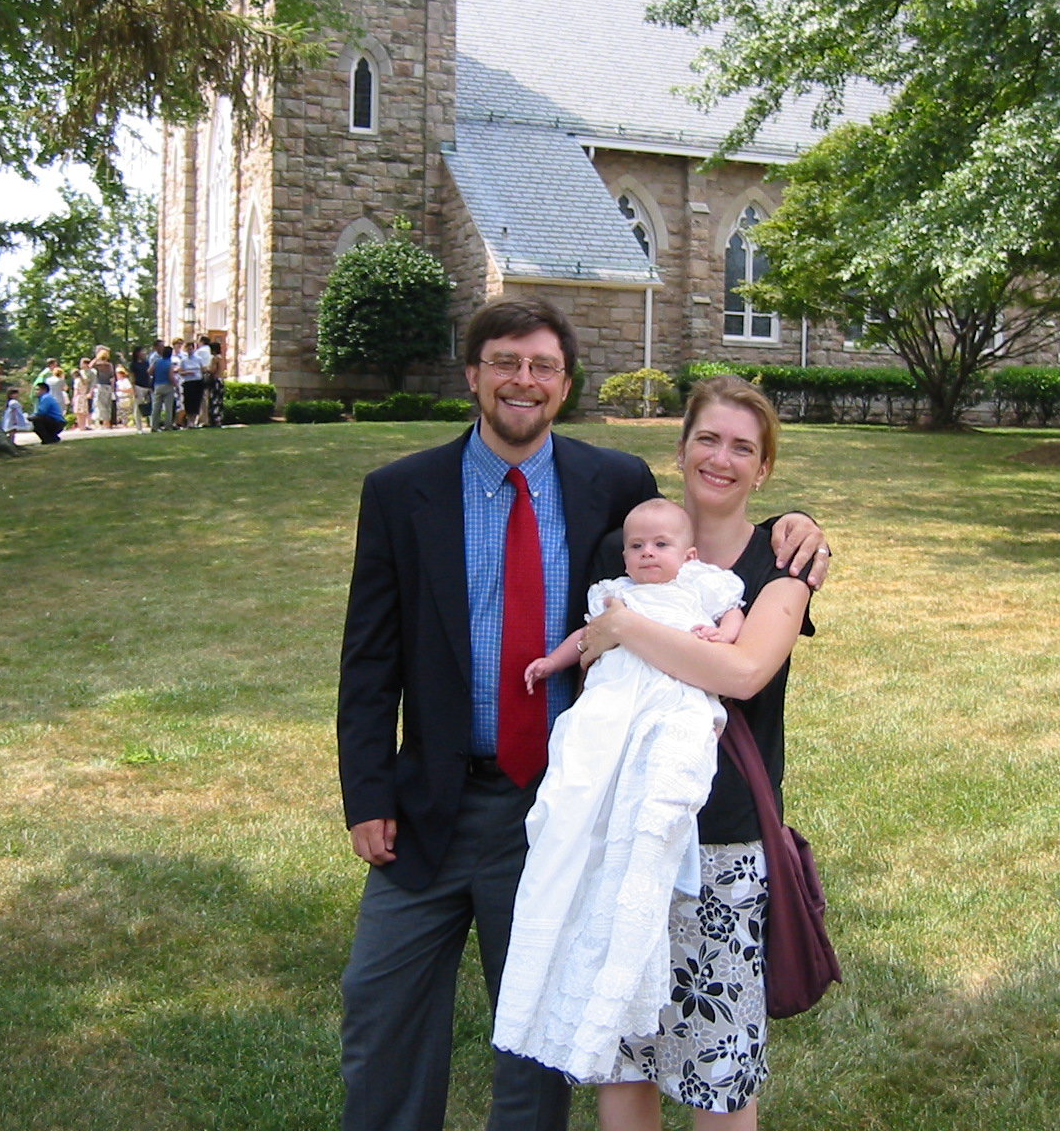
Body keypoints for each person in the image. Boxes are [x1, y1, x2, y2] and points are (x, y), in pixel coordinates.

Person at [334, 298, 828, 1131]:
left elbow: (705, 590)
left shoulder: (613, 487)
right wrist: (367, 792)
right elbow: (369, 657)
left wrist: (803, 527)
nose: (522, 381)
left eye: (543, 367)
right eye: (505, 363)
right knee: (383, 1013)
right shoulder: (403, 493)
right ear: (474, 374)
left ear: (565, 385)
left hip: (566, 803)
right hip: (433, 800)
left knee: (546, 1029)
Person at [580, 375, 817, 1130]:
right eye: (708, 440)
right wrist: (608, 631)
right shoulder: (628, 549)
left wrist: (627, 627)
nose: (722, 458)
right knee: (626, 1055)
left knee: (718, 1069)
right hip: (623, 828)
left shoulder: (781, 564)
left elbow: (744, 670)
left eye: (743, 447)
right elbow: (587, 657)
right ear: (680, 452)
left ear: (763, 469)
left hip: (723, 839)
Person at [493, 497, 745, 1082]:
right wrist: (554, 663)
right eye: (636, 546)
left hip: (672, 695)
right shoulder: (614, 592)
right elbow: (586, 637)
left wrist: (721, 634)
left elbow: (737, 613)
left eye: (659, 546)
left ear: (687, 554)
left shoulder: (703, 584)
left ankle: (656, 824)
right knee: (580, 766)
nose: (646, 554)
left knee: (670, 762)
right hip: (614, 699)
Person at [177, 339, 205, 428]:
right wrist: (187, 373)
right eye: (188, 349)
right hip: (188, 382)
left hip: (197, 382)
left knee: (196, 401)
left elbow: (202, 369)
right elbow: (180, 372)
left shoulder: (199, 359)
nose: (190, 350)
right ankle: (189, 421)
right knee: (188, 402)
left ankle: (194, 420)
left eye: (191, 349)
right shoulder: (183, 360)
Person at [149, 345, 177, 431]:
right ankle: (168, 425)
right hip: (167, 385)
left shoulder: (157, 362)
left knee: (156, 407)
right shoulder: (170, 363)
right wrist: (175, 384)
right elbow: (171, 376)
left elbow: (149, 371)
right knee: (168, 407)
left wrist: (156, 375)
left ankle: (154, 426)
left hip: (157, 385)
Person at [91, 346, 116, 428]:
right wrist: (113, 389)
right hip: (108, 386)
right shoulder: (110, 365)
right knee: (108, 405)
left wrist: (96, 357)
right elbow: (112, 378)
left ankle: (103, 423)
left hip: (100, 386)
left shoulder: (98, 365)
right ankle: (107, 423)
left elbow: (90, 366)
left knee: (101, 405)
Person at [130, 345, 152, 432]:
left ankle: (151, 425)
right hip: (138, 386)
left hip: (147, 386)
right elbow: (132, 377)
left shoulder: (146, 363)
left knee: (149, 407)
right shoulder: (133, 364)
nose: (144, 353)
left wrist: (150, 386)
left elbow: (149, 375)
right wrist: (133, 389)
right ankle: (139, 428)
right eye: (143, 351)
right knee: (138, 407)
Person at [72, 357, 93, 432]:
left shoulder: (77, 381)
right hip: (84, 396)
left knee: (78, 413)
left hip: (79, 397)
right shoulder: (84, 381)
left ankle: (80, 427)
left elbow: (76, 391)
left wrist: (73, 399)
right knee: (84, 413)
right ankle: (83, 426)